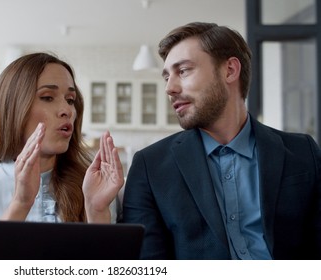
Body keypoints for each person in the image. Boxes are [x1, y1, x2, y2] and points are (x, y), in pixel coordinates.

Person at [122, 22, 321, 259]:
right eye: (167, 76)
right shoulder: (149, 166)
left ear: (230, 70)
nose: (169, 87)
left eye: (183, 71)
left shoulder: (303, 151)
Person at [0, 52, 124, 224]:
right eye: (47, 97)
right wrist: (21, 203)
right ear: (13, 109)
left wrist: (96, 211)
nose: (67, 110)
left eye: (70, 99)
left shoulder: (95, 188)